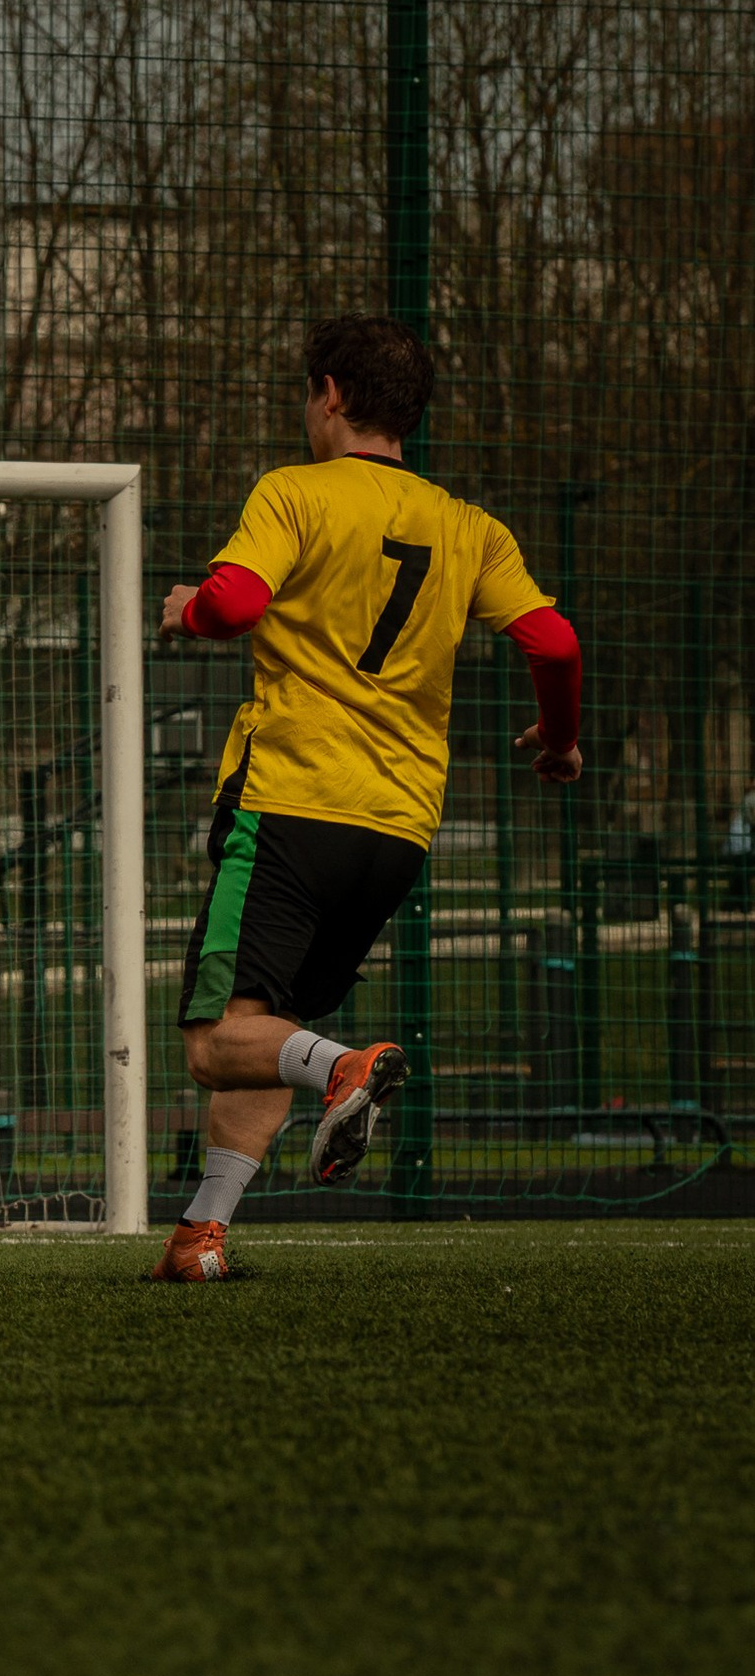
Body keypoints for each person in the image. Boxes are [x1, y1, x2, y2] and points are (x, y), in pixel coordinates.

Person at [153, 314, 583, 1282]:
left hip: (291, 799)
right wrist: (557, 742)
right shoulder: (468, 525)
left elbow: (231, 605)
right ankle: (200, 1234)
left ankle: (346, 1067)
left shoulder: (295, 491)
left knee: (219, 1040)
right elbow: (554, 645)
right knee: (273, 1026)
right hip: (396, 825)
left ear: (332, 395)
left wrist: (186, 609)